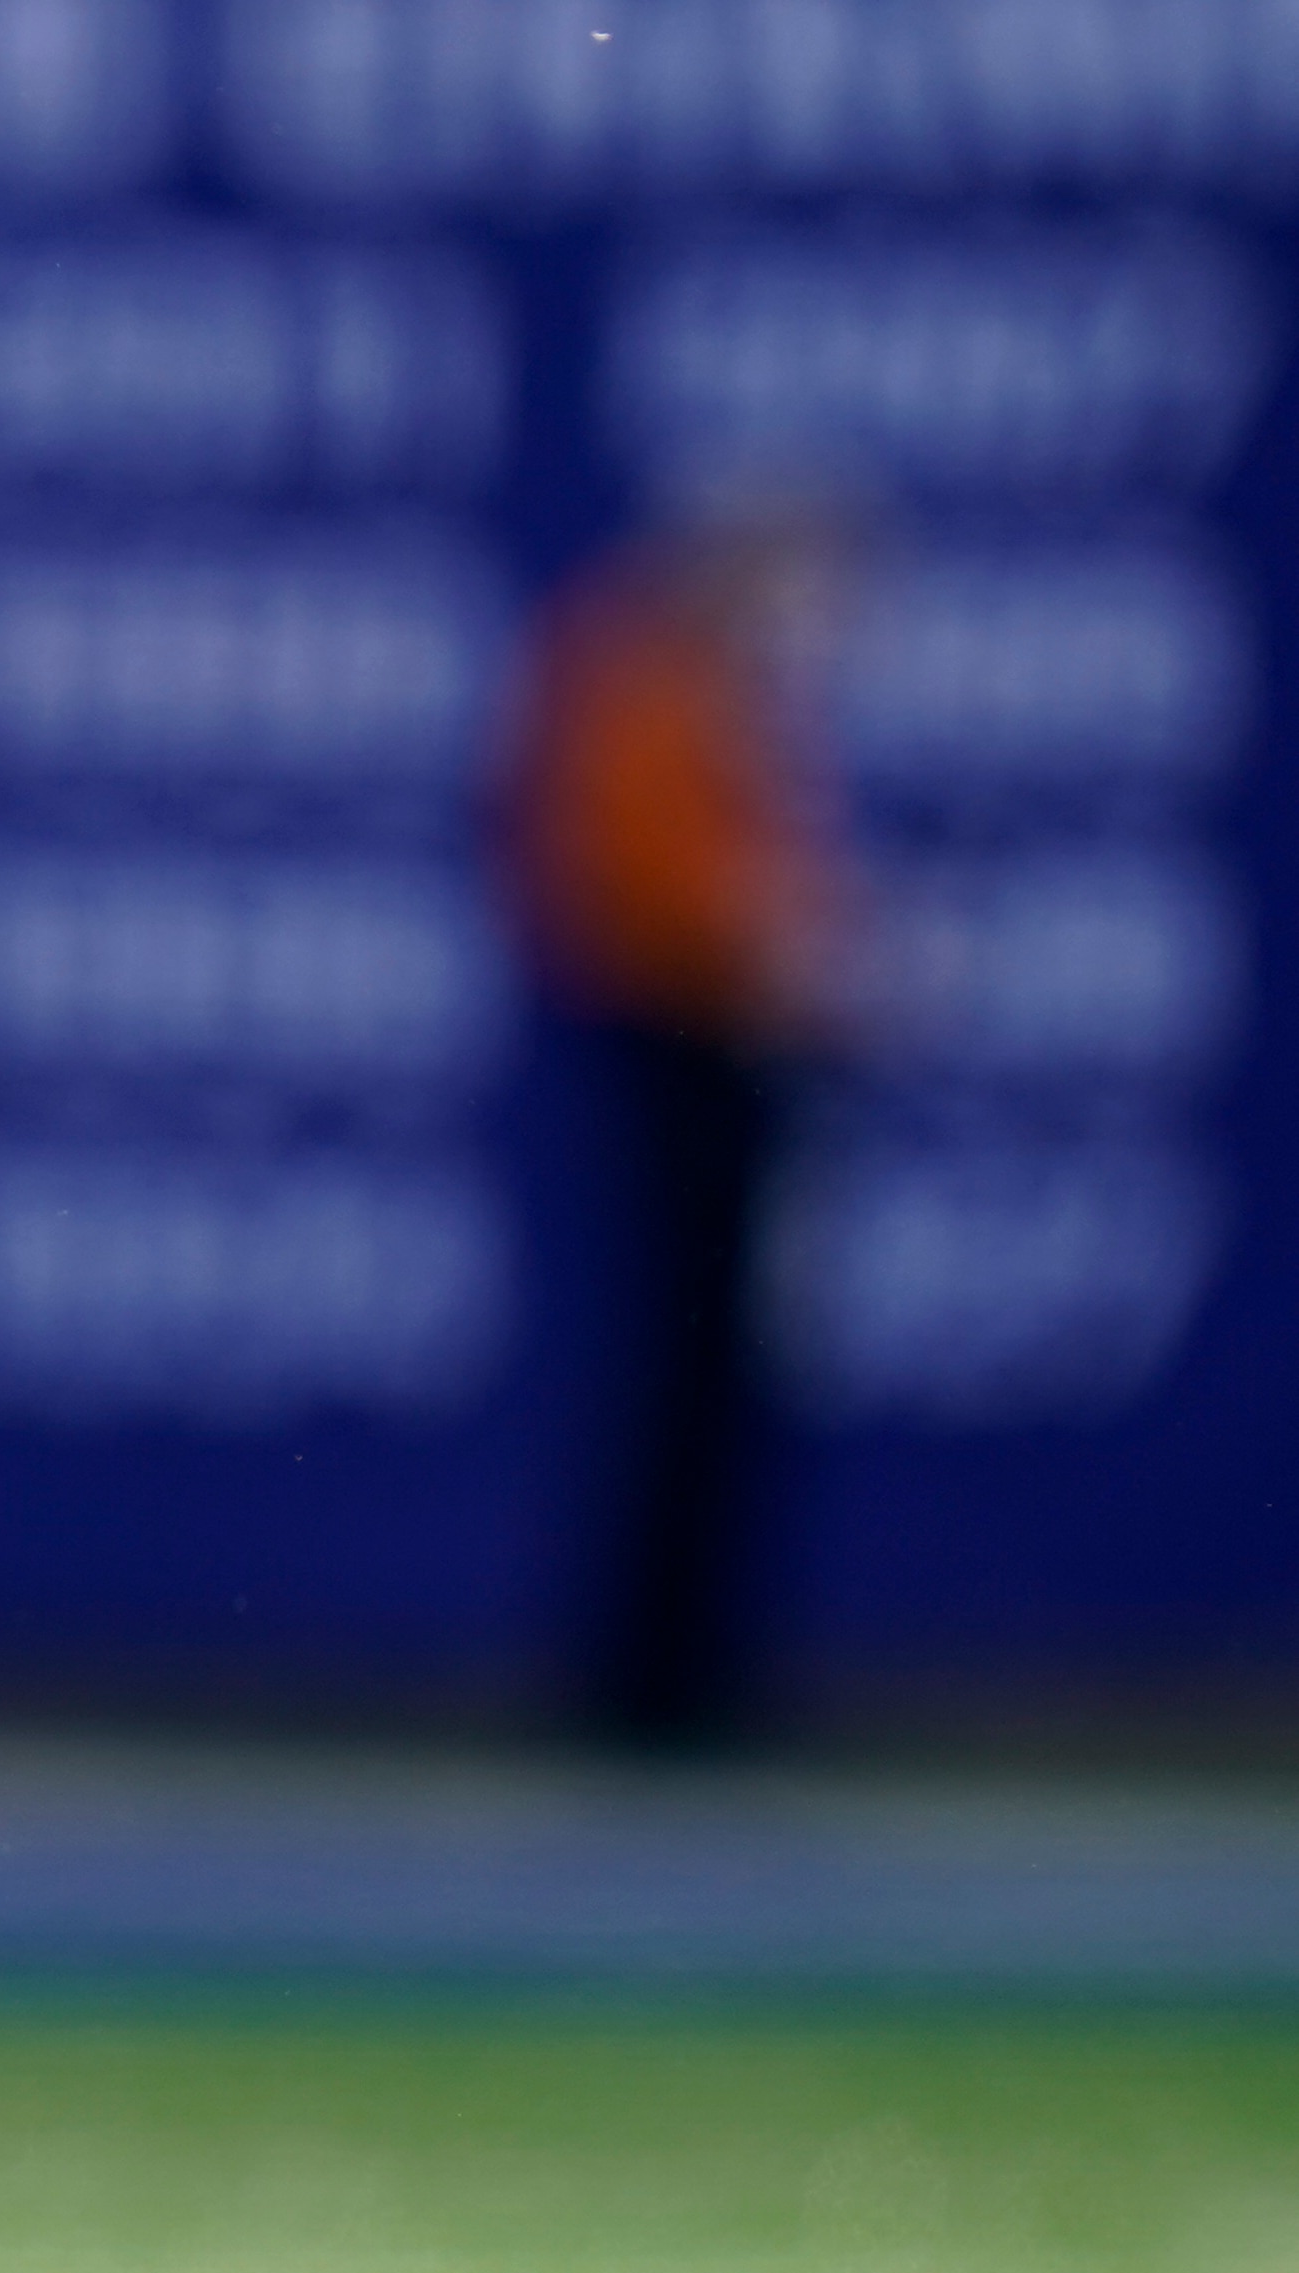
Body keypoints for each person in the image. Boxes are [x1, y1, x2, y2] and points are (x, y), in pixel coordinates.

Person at [504, 497, 847, 1746]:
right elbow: (664, 896)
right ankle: (656, 1682)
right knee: (689, 1374)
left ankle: (695, 1665)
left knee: (725, 1384)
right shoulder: (656, 691)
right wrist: (806, 956)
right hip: (687, 1062)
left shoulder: (732, 707)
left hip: (731, 1062)